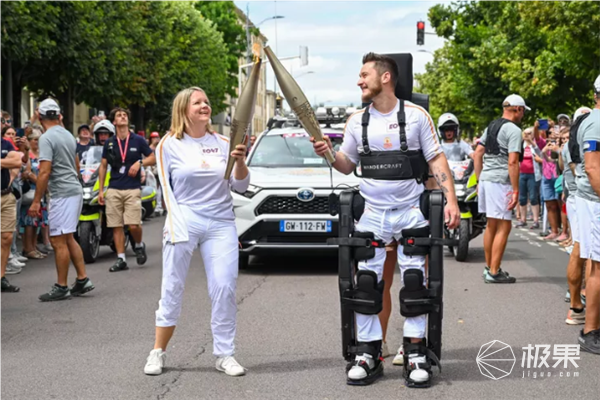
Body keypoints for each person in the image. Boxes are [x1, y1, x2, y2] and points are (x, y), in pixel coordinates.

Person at [313, 53, 459, 386]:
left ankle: (415, 351)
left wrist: (451, 201)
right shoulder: (356, 121)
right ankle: (368, 351)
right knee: (366, 284)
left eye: (364, 74)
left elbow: (435, 159)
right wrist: (326, 153)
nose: (359, 80)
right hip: (372, 214)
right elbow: (347, 165)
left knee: (413, 281)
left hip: (410, 209)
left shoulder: (417, 117)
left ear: (386, 77)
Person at [143, 87, 250, 376]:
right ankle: (158, 351)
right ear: (183, 110)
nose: (205, 106)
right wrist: (173, 227)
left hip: (220, 222)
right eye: (197, 102)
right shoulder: (168, 145)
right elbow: (166, 189)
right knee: (172, 286)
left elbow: (240, 186)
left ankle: (225, 354)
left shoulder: (226, 142)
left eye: (206, 101)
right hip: (185, 219)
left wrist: (240, 160)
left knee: (224, 287)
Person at [28, 99, 94, 301]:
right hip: (73, 189)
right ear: (58, 115)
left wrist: (36, 201)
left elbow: (45, 171)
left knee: (58, 240)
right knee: (68, 237)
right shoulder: (67, 134)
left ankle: (62, 285)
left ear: (40, 117)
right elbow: (75, 163)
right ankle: (82, 279)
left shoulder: (46, 138)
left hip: (62, 193)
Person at [474, 94, 526, 283]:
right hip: (500, 180)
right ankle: (494, 271)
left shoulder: (492, 126)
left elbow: (478, 153)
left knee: (491, 225)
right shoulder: (514, 130)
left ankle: (490, 267)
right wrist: (515, 189)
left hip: (487, 179)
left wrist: (479, 179)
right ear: (518, 109)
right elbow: (513, 162)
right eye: (523, 111)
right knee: (504, 225)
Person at [97, 108, 155, 272]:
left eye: (125, 115)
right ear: (114, 122)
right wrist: (101, 190)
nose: (122, 117)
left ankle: (138, 244)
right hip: (114, 187)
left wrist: (140, 163)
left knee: (133, 224)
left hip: (132, 188)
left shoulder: (138, 140)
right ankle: (121, 258)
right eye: (119, 116)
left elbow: (152, 157)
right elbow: (103, 166)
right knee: (116, 225)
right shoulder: (109, 143)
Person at [574, 75, 600, 354]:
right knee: (598, 268)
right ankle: (591, 330)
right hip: (595, 202)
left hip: (593, 200)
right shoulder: (596, 122)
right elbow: (593, 169)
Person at [0, 129, 25, 292]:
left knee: (7, 237)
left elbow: (17, 161)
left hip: (6, 195)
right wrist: (4, 161)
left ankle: (1, 277)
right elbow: (11, 161)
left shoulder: (5, 143)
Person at [516, 128, 543, 228]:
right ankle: (523, 219)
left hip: (533, 174)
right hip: (522, 174)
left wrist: (532, 142)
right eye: (525, 133)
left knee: (533, 197)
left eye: (529, 133)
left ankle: (536, 220)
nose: (527, 135)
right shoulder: (520, 145)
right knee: (522, 198)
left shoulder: (535, 144)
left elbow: (539, 153)